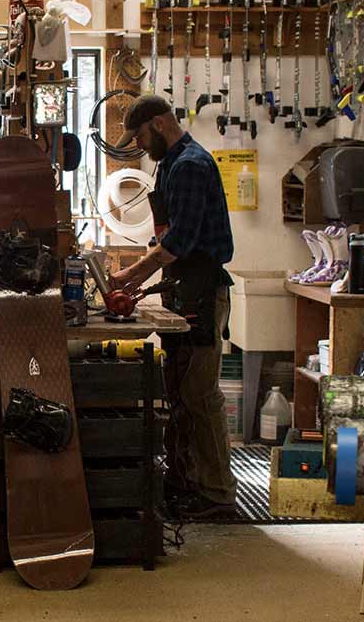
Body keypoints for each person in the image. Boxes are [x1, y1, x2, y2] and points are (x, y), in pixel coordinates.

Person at [109, 94, 237, 519]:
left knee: (200, 395)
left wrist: (131, 277)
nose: (141, 146)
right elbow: (164, 237)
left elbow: (178, 242)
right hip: (182, 288)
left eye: (142, 136)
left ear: (160, 124)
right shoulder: (169, 166)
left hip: (201, 289)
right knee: (179, 392)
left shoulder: (191, 167)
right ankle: (184, 481)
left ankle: (217, 494)